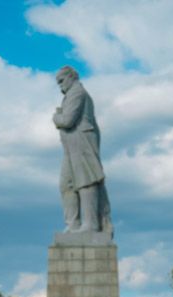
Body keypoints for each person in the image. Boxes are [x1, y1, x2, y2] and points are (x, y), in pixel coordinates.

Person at [53, 66, 112, 234]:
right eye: (59, 83)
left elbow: (67, 121)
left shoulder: (77, 92)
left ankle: (91, 224)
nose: (61, 86)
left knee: (86, 182)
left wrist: (55, 117)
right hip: (71, 147)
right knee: (67, 184)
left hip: (82, 143)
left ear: (71, 77)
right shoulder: (71, 94)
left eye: (62, 81)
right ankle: (73, 224)